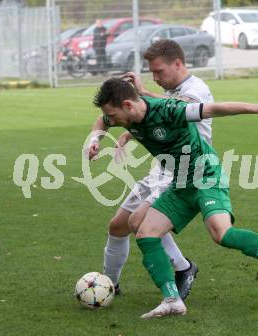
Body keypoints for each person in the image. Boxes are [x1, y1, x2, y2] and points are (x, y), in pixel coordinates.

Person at [91, 77, 258, 319]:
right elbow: (101, 122)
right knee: (146, 233)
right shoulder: (124, 114)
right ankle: (172, 300)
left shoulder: (169, 110)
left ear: (127, 105)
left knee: (222, 234)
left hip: (206, 176)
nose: (111, 121)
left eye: (113, 116)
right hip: (180, 184)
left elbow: (213, 109)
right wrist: (95, 140)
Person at [88, 39, 214, 299]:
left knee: (141, 223)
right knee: (118, 226)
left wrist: (140, 93)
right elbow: (150, 120)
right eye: (152, 72)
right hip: (161, 168)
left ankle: (184, 268)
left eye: (159, 71)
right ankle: (108, 286)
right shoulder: (169, 91)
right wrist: (98, 139)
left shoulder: (195, 90)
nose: (155, 77)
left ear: (177, 63)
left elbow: (174, 111)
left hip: (185, 169)